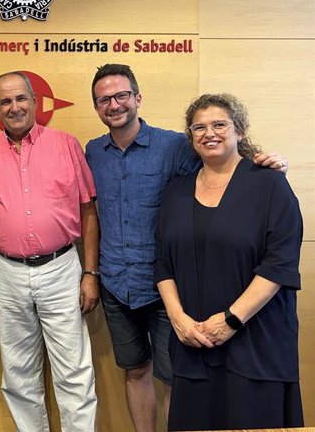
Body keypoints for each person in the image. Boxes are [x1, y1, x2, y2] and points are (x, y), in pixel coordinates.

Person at [85, 64, 288, 432]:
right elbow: (89, 213)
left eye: (121, 96)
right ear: (97, 107)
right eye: (104, 99)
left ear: (137, 98)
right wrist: (92, 273)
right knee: (135, 371)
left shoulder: (173, 146)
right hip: (116, 283)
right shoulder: (92, 152)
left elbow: (222, 161)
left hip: (166, 287)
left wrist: (264, 162)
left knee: (176, 376)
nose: (114, 105)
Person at [154, 93, 303, 430]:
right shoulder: (175, 192)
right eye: (199, 127)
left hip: (255, 344)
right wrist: (178, 319)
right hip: (193, 344)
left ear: (239, 130)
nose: (210, 133)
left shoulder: (269, 184)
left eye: (219, 124)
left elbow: (278, 264)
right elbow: (162, 262)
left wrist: (231, 320)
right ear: (190, 137)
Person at [0, 71, 99, 431]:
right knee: (18, 375)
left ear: (35, 101)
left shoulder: (66, 144)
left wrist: (90, 273)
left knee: (74, 372)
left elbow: (89, 210)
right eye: (5, 102)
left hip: (62, 267)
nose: (14, 107)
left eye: (21, 99)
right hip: (6, 270)